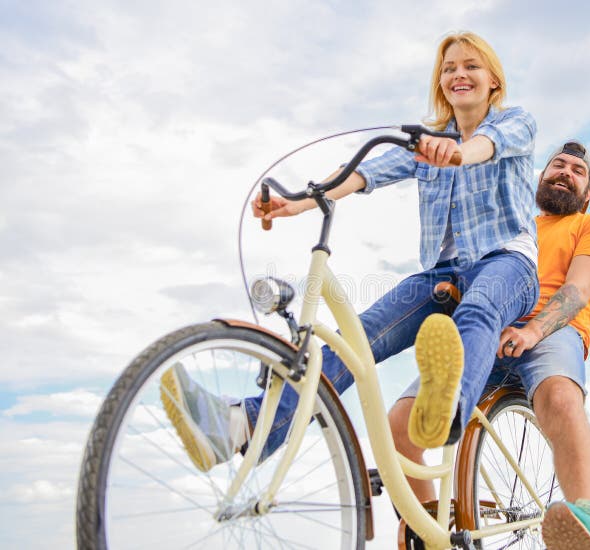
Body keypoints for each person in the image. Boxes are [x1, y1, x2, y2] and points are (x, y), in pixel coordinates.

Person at [159, 32, 539, 472]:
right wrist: (299, 201)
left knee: (478, 311)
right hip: (442, 274)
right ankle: (241, 425)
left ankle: (445, 410)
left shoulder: (517, 121)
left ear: (493, 80)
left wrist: (456, 151)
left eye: (471, 66)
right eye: (449, 68)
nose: (459, 74)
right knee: (354, 339)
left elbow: (485, 145)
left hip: (508, 263)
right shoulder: (426, 146)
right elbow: (363, 174)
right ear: (440, 83)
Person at [387, 140, 590, 550]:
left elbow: (578, 289)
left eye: (577, 171)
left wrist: (532, 331)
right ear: (540, 178)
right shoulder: (513, 231)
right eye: (557, 165)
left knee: (561, 400)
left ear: (588, 193)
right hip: (490, 327)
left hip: (552, 329)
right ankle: (427, 522)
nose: (565, 171)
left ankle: (588, 519)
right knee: (399, 426)